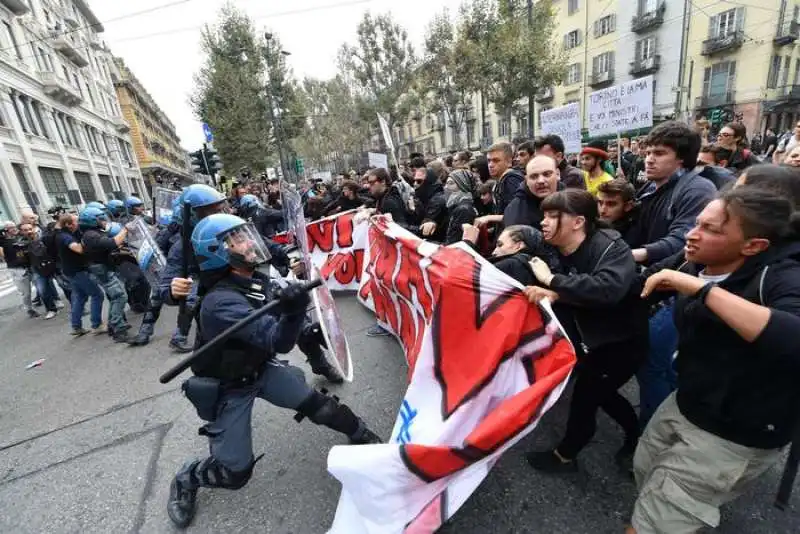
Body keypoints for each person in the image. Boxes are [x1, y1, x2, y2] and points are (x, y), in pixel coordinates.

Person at [166, 213, 381, 528]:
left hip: (259, 368)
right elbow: (277, 340)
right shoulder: (220, 303)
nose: (249, 243)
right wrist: (293, 312)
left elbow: (281, 311)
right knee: (234, 473)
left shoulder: (252, 277)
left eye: (244, 235)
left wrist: (302, 310)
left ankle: (361, 433)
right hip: (229, 386)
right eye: (237, 240)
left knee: (318, 405)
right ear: (217, 252)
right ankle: (188, 476)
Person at [629, 186, 800, 533]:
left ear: (753, 246)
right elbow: (635, 284)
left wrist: (701, 290)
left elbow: (792, 337)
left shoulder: (781, 278)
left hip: (732, 434)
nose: (692, 235)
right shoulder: (694, 260)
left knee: (654, 523)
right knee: (646, 469)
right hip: (686, 402)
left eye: (711, 230)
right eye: (696, 223)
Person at [524, 190, 648, 473]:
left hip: (621, 344)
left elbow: (606, 289)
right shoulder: (556, 247)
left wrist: (551, 280)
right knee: (601, 395)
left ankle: (565, 455)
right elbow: (577, 287)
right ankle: (635, 435)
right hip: (593, 339)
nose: (543, 222)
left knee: (586, 398)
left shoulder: (610, 247)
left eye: (552, 216)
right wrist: (556, 293)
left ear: (578, 222)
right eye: (543, 215)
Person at [79, 206, 131, 341]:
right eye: (100, 219)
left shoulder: (92, 233)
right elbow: (112, 243)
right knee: (120, 297)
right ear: (92, 221)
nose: (103, 221)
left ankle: (114, 326)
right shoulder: (91, 235)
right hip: (102, 269)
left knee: (115, 297)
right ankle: (118, 328)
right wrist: (125, 229)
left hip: (103, 267)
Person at [55, 213, 105, 336]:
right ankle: (96, 325)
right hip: (77, 271)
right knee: (97, 294)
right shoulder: (65, 237)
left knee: (80, 297)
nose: (78, 223)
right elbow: (78, 249)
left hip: (71, 271)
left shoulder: (65, 234)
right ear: (68, 224)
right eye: (76, 221)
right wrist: (88, 243)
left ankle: (76, 326)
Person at [463, 223, 558, 285]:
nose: (494, 252)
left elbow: (465, 278)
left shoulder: (513, 264)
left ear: (518, 245)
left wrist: (468, 243)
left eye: (500, 245)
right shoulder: (534, 265)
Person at [501, 155, 560, 230]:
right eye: (534, 176)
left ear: (557, 174)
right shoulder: (516, 212)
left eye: (547, 174)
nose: (540, 181)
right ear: (526, 180)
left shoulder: (571, 200)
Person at [597, 178, 638, 244]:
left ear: (628, 206)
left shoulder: (635, 233)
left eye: (611, 204)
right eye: (600, 203)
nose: (602, 210)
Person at [443, 169, 477, 245]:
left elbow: (455, 240)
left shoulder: (464, 209)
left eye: (451, 183)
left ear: (463, 186)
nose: (446, 187)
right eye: (446, 183)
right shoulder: (455, 204)